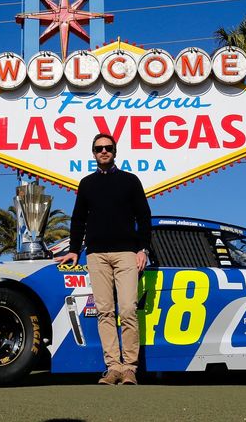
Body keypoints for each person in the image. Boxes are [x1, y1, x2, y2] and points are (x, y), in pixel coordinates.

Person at [55, 133, 152, 385]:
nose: (104, 152)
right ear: (94, 153)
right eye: (99, 149)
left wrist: (143, 249)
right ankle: (113, 368)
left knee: (128, 310)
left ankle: (130, 367)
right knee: (105, 312)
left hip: (126, 255)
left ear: (115, 151)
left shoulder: (130, 181)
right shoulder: (86, 184)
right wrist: (75, 249)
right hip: (96, 255)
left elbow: (144, 216)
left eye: (108, 148)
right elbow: (78, 219)